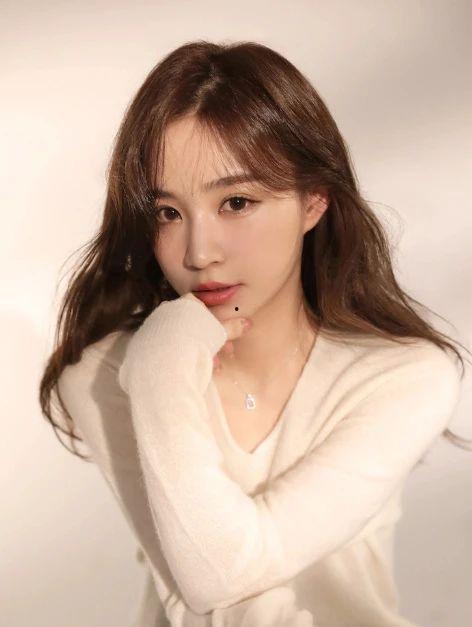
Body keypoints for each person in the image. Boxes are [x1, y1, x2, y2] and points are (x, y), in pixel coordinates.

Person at [39, 40, 471, 627]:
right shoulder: (102, 374)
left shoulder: (403, 378)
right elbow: (208, 582)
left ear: (314, 201)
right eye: (168, 213)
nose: (199, 253)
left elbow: (219, 580)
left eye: (236, 202)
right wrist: (163, 365)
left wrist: (158, 367)